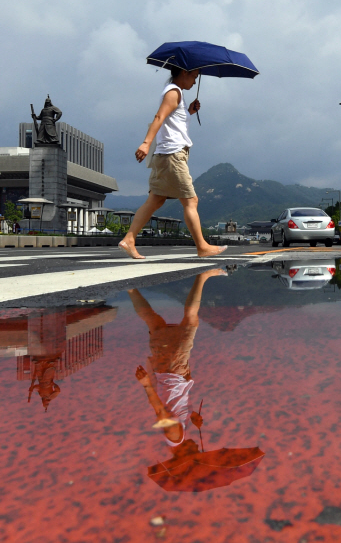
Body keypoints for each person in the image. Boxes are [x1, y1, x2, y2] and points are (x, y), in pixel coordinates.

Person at [119, 67, 228, 260]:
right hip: (172, 156)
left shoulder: (175, 93)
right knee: (191, 201)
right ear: (184, 72)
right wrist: (146, 143)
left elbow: (172, 121)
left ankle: (129, 239)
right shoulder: (173, 92)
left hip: (166, 155)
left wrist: (189, 112)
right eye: (194, 76)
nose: (195, 81)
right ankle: (202, 247)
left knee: (155, 200)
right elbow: (159, 117)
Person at [132, 268, 226, 445]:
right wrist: (192, 416)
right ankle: (131, 288)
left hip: (174, 368)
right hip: (163, 367)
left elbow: (160, 410)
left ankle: (202, 276)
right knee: (153, 321)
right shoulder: (180, 429)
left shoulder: (175, 438)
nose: (196, 448)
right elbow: (175, 406)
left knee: (191, 320)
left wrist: (146, 385)